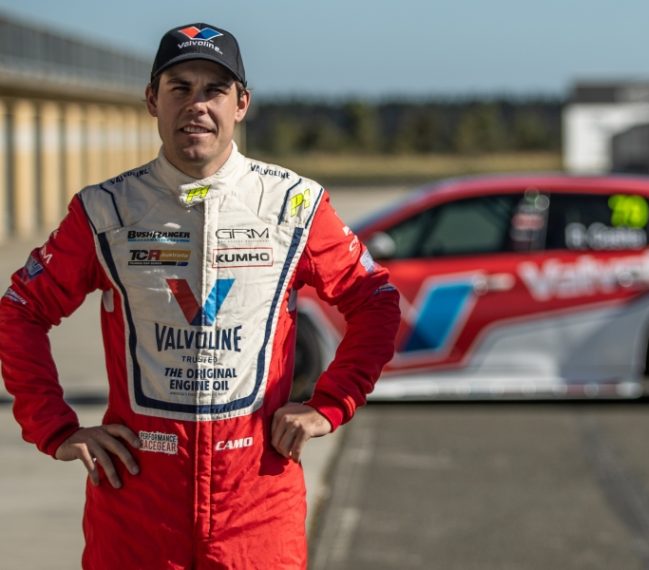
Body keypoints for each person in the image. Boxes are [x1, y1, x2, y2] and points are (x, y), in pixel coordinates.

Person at [0, 22, 400, 568]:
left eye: (214, 90)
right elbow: (20, 311)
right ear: (151, 100)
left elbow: (374, 298)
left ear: (242, 104)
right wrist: (55, 427)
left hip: (258, 503)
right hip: (137, 505)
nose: (197, 105)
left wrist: (331, 404)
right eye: (179, 88)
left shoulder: (293, 205)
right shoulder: (105, 211)